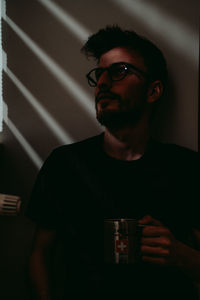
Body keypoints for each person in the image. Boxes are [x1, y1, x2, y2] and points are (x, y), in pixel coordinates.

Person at [26, 25, 200, 300]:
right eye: (99, 74)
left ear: (153, 91)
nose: (103, 83)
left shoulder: (187, 167)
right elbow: (40, 254)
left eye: (119, 71)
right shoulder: (65, 165)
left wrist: (182, 256)